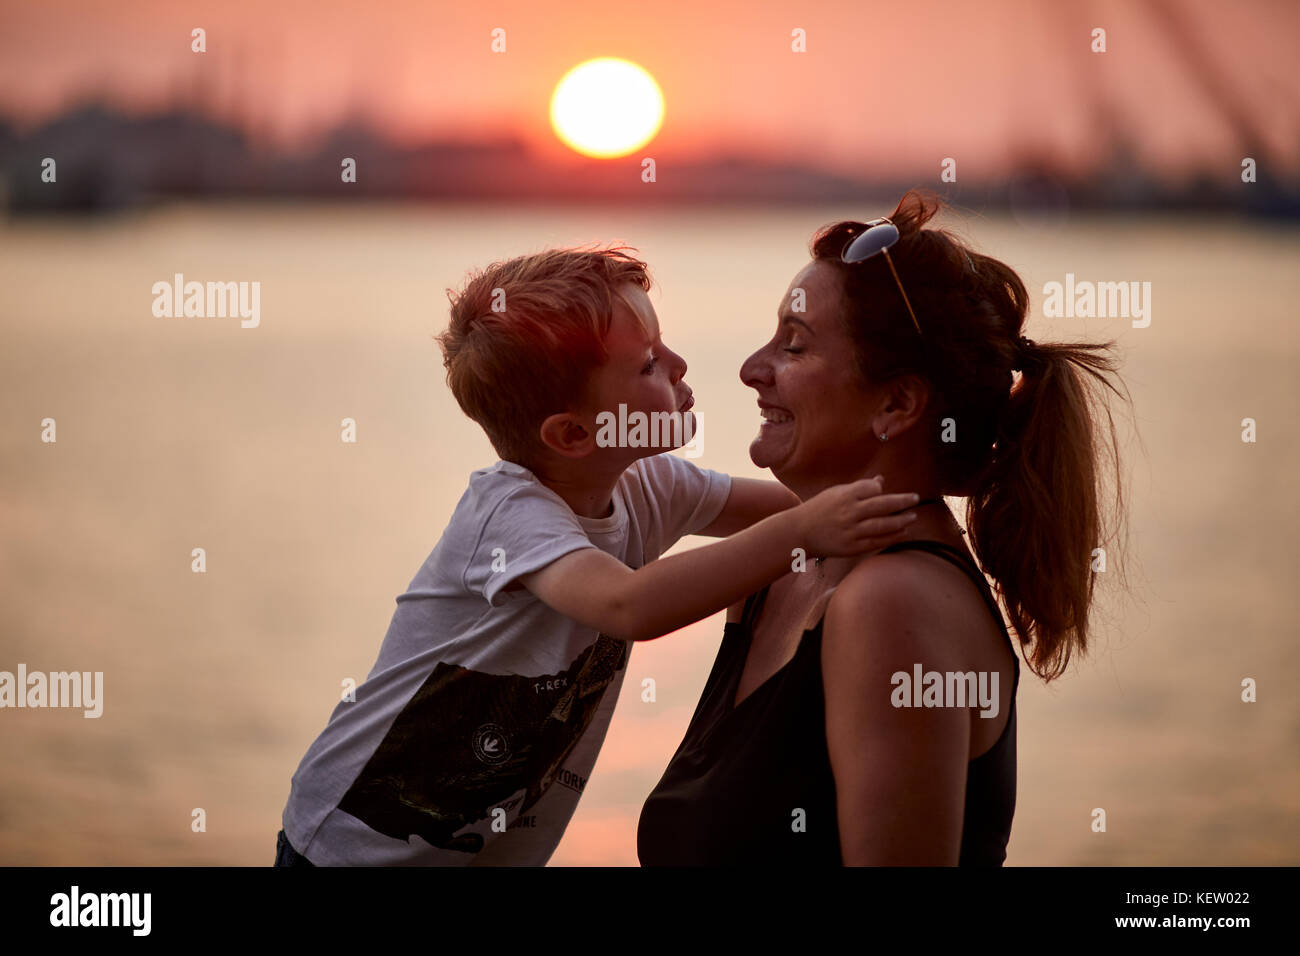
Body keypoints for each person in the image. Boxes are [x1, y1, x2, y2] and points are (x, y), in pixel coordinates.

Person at [275, 245, 920, 865]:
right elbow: (628, 604)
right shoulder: (512, 517)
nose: (679, 364)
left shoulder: (651, 485)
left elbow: (813, 509)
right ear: (576, 433)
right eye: (647, 364)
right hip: (347, 850)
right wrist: (807, 532)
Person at [638, 189, 1130, 866]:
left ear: (897, 404)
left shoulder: (891, 603)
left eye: (795, 346)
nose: (753, 370)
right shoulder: (779, 568)